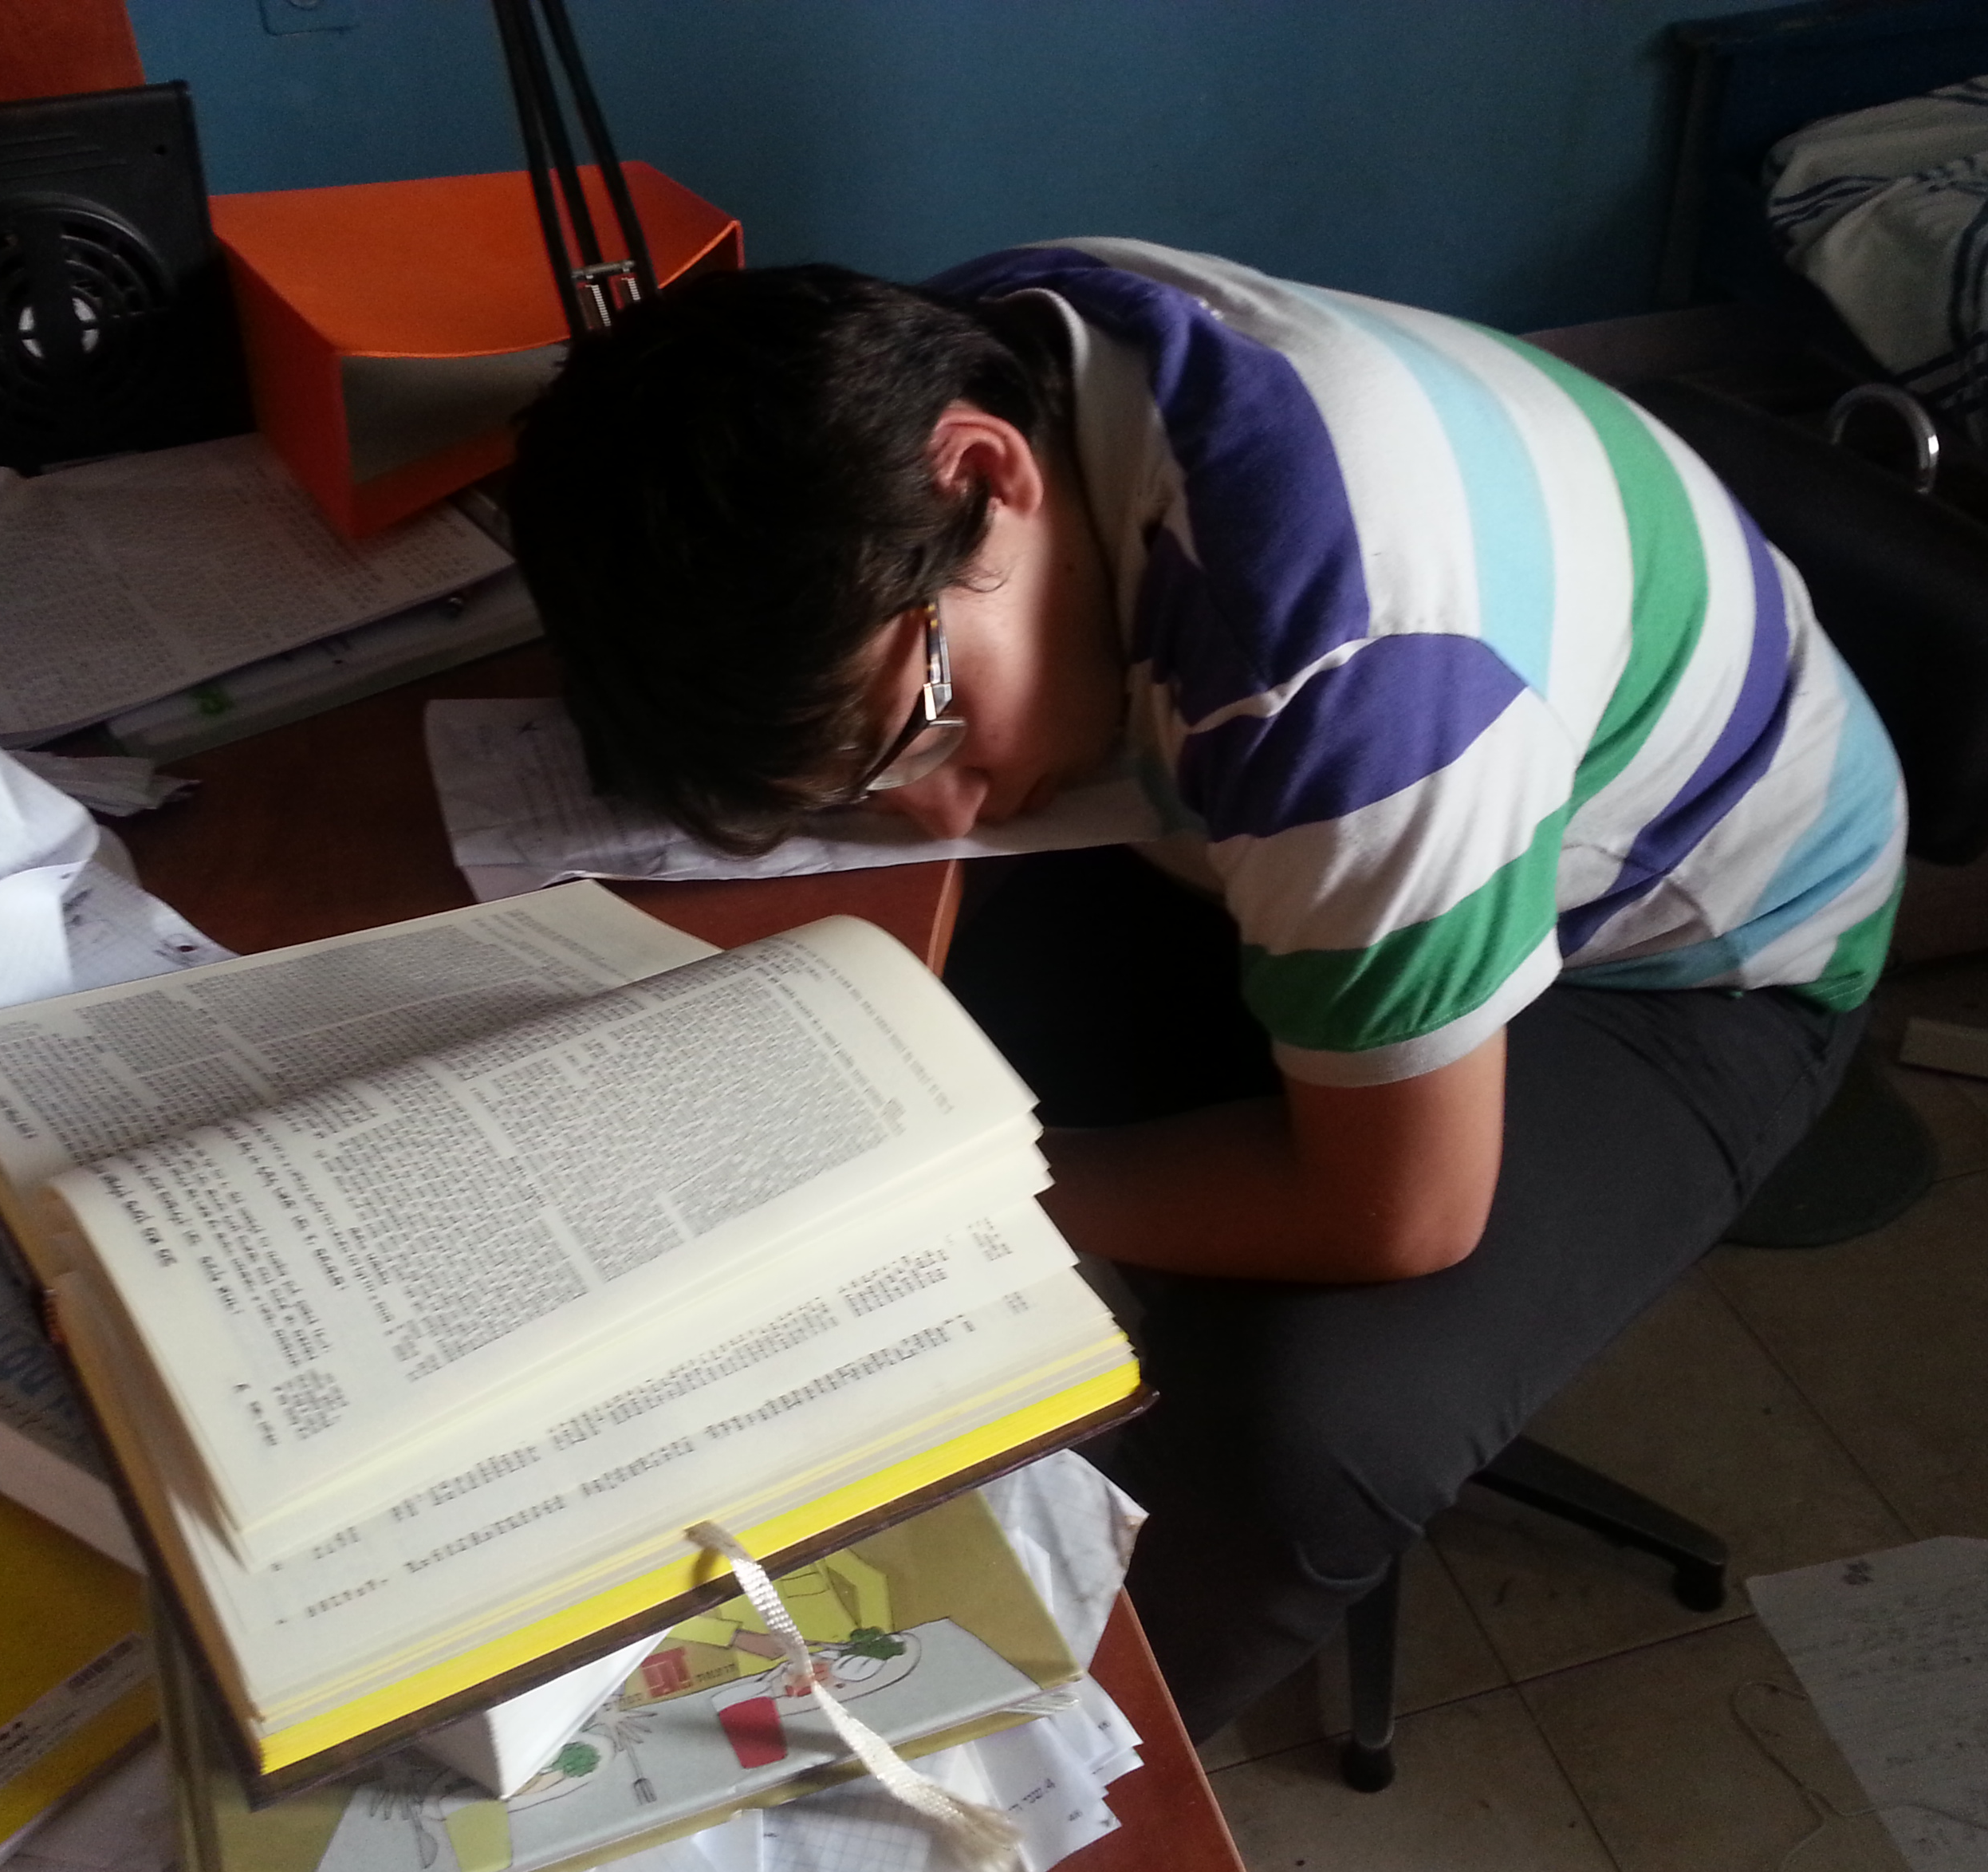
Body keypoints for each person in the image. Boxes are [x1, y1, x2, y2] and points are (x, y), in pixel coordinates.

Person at [510, 238, 1907, 1740]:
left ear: (985, 474)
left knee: (1306, 1441)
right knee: (840, 1032)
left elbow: (1398, 1211)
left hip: (1692, 950)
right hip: (1305, 830)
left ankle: (1054, 1772)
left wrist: (910, 1209)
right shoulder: (963, 367)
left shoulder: (1351, 672)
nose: (935, 811)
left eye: (921, 730)